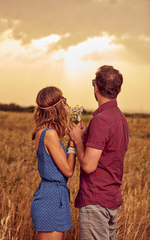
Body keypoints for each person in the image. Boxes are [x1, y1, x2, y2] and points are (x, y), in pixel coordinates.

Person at [68, 65, 129, 240]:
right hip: (112, 199)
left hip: (96, 202)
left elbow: (88, 165)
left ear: (95, 87)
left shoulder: (100, 120)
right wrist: (87, 135)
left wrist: (78, 140)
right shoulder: (121, 119)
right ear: (119, 89)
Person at [30, 86, 76, 240]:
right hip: (51, 198)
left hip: (50, 195)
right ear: (58, 108)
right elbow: (68, 171)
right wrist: (73, 145)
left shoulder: (43, 131)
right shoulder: (49, 134)